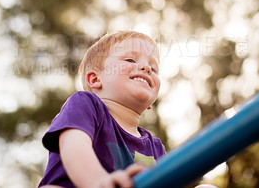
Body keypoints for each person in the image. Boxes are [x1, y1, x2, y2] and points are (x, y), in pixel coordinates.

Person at [39, 31, 165, 188]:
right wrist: (97, 181)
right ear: (95, 79)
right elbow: (74, 144)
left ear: (150, 103)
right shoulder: (85, 105)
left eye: (154, 69)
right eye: (130, 59)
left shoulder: (156, 147)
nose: (146, 68)